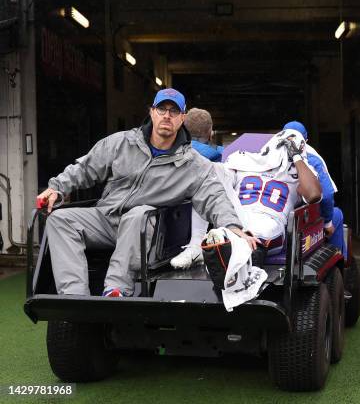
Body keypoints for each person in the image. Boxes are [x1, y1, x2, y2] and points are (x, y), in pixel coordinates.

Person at [37, 88, 256, 297]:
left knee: (138, 215)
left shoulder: (194, 164)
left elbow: (214, 197)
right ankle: (74, 297)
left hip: (146, 230)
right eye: (162, 109)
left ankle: (117, 290)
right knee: (59, 219)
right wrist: (57, 187)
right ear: (152, 112)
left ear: (182, 118)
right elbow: (85, 168)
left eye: (174, 111)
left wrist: (233, 227)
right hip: (107, 218)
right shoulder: (121, 142)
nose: (167, 116)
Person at [173, 128, 322, 270]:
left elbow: (314, 194)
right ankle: (196, 246)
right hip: (237, 216)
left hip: (269, 223)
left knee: (257, 234)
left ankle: (225, 243)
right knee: (206, 181)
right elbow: (214, 178)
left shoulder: (301, 175)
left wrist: (296, 156)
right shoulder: (247, 162)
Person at [283, 121, 347, 258]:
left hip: (273, 219)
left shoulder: (265, 156)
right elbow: (327, 194)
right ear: (305, 141)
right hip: (298, 220)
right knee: (336, 214)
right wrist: (328, 223)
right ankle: (337, 260)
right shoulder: (311, 158)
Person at [170, 108, 224, 268]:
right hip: (214, 227)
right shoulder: (225, 155)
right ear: (211, 133)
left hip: (168, 234)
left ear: (182, 130)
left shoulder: (166, 154)